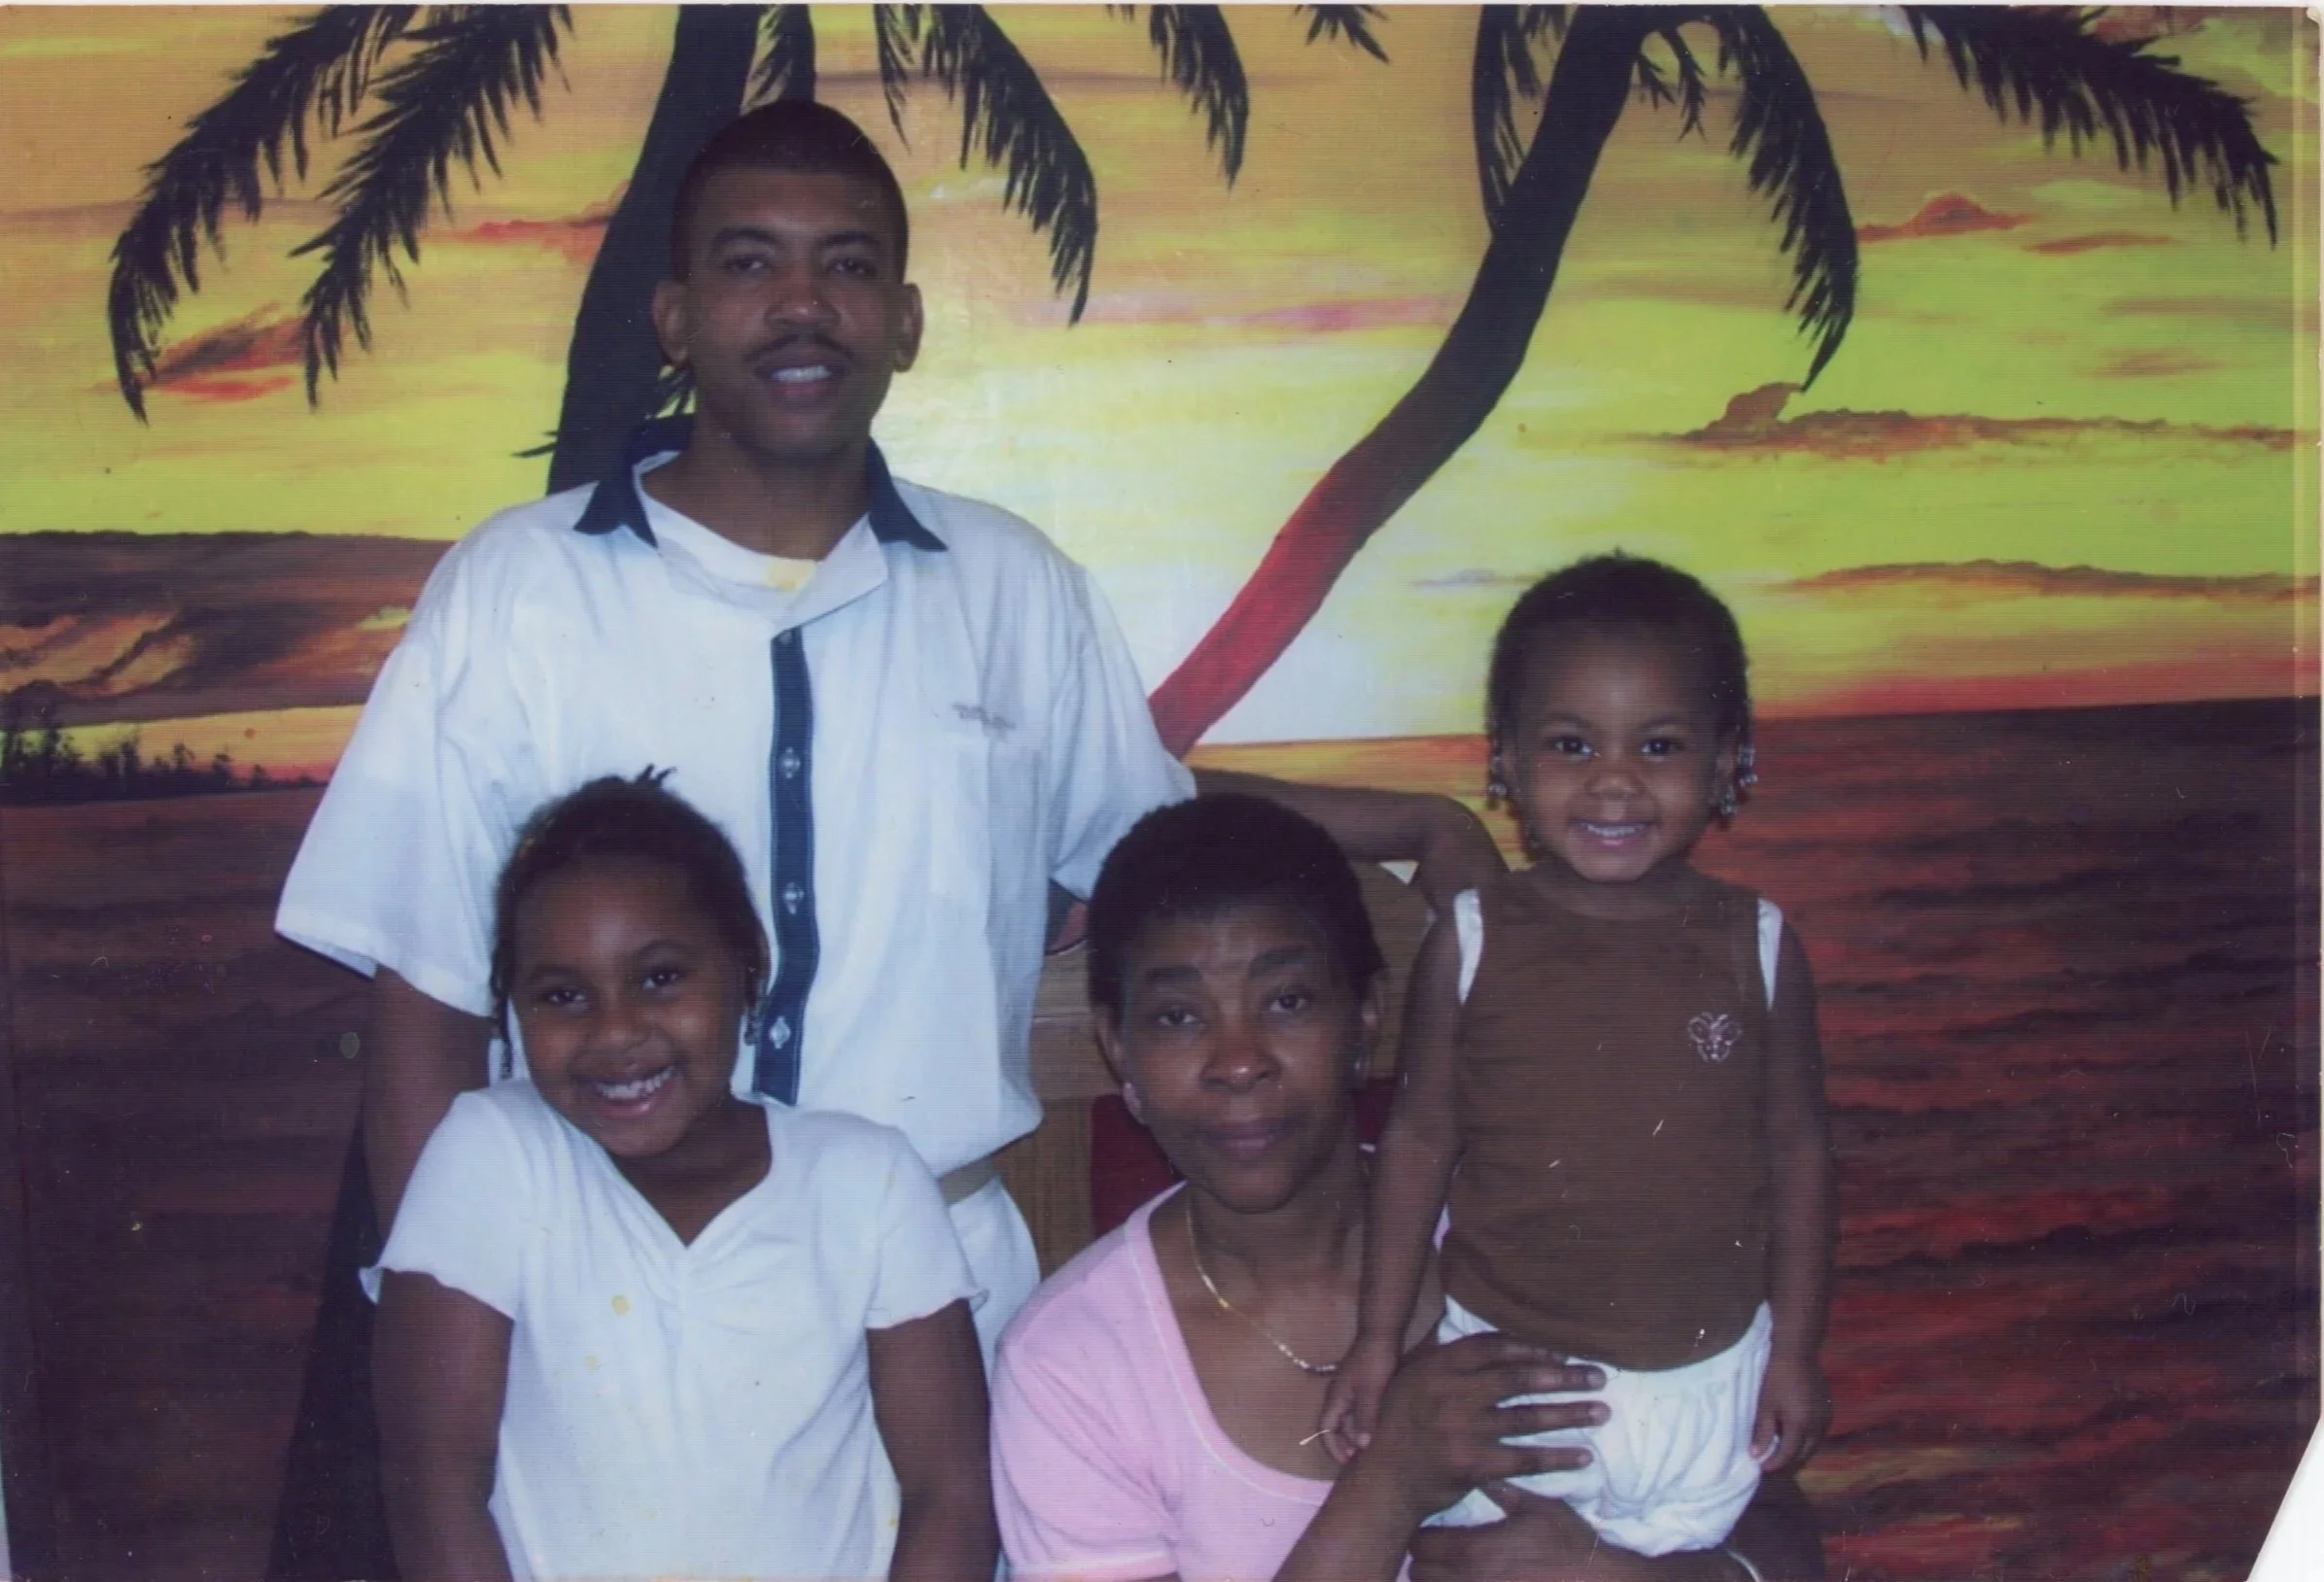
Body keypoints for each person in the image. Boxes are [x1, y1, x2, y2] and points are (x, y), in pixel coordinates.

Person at [269, 100, 1500, 1577]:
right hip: (590, 1308)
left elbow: (1159, 836)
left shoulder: (1012, 590)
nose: (802, 305)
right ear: (674, 316)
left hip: (925, 1311)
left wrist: (1406, 823)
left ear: (906, 319)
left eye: (847, 265)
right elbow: (421, 996)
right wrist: (452, 1320)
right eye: (749, 264)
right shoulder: (517, 595)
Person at [991, 794, 1823, 1581]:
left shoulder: (1528, 1217)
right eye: (1177, 1017)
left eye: (1286, 1001)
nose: (1238, 1061)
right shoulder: (1074, 1365)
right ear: (1118, 1050)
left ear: (1364, 1019)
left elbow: (1772, 1510)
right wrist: (1388, 1486)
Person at [1319, 557, 1835, 1557]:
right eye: (1569, 743)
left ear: (1729, 763)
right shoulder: (1471, 940)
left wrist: (1799, 1349)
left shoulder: (1760, 944)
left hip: (1707, 1389)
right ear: (1504, 761)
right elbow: (1419, 1143)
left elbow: (1800, 1155)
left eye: (1659, 745)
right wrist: (1378, 1337)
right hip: (1512, 1383)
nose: (1614, 779)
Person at [371, 774, 994, 1582]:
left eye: (660, 977)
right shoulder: (494, 1154)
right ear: (514, 1014)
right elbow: (432, 1491)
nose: (617, 1032)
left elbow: (951, 1495)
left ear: (747, 968)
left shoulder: (865, 1181)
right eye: (563, 996)